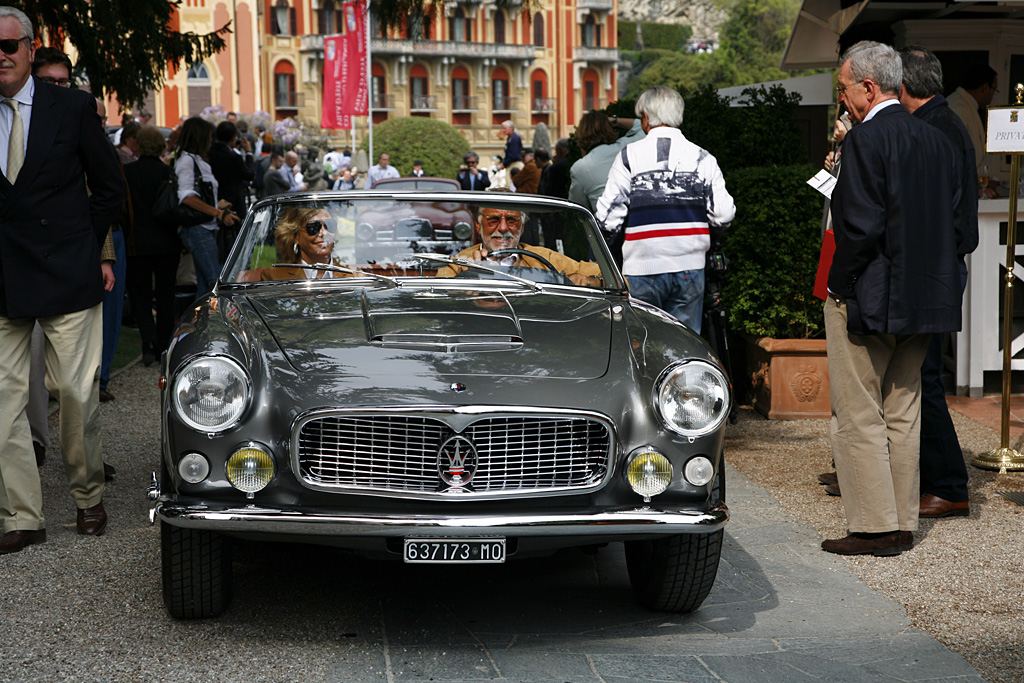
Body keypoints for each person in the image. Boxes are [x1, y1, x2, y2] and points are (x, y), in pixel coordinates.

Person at [821, 41, 963, 557]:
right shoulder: (937, 141)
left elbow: (859, 227)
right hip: (924, 297)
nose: (842, 98)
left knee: (859, 413)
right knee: (905, 410)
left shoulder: (866, 140)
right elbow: (955, 226)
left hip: (871, 296)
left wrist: (838, 283)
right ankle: (901, 522)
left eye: (843, 88)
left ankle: (876, 526)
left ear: (868, 86)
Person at [0, 6, 126, 553]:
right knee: (2, 403)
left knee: (74, 394)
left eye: (8, 46)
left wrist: (84, 245)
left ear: (31, 48)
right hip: (3, 277)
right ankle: (21, 516)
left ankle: (86, 494)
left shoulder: (71, 106)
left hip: (66, 273)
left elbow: (108, 187)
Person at [899, 45, 979, 519]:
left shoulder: (937, 128)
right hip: (938, 266)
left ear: (904, 85)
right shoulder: (942, 123)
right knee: (922, 375)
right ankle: (935, 478)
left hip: (936, 269)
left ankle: (949, 484)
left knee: (926, 377)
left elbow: (940, 214)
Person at [596, 86, 735, 334]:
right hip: (689, 269)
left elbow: (607, 219)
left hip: (640, 269)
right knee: (683, 348)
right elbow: (723, 215)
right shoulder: (703, 158)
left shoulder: (629, 156)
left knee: (642, 350)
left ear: (646, 118)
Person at [123, 125, 181, 366]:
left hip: (138, 241)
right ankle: (164, 344)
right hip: (166, 239)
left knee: (141, 294)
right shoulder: (168, 172)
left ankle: (148, 342)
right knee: (166, 295)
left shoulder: (128, 172)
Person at [436, 205, 603, 287]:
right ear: (478, 226)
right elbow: (437, 302)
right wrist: (465, 280)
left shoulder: (544, 258)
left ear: (522, 227)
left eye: (511, 220)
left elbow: (614, 279)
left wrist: (589, 281)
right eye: (493, 220)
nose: (502, 228)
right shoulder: (459, 263)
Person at [174, 116, 240, 299]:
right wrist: (217, 212)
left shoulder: (195, 160)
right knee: (215, 282)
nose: (211, 140)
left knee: (205, 287)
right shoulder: (188, 161)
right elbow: (186, 196)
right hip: (198, 228)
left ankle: (195, 325)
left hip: (203, 227)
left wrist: (216, 205)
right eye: (209, 136)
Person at [569, 112, 644, 214]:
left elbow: (577, 209)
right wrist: (613, 120)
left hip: (607, 225)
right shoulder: (625, 147)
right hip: (636, 216)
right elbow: (641, 125)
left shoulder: (580, 168)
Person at [947, 63, 998, 197]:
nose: (993, 96)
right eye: (994, 90)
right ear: (985, 88)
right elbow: (956, 159)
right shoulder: (958, 108)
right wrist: (976, 188)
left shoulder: (965, 106)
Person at [260, 207, 347, 281]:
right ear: (295, 236)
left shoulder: (353, 277)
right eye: (314, 227)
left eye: (329, 225)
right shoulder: (274, 277)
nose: (324, 233)